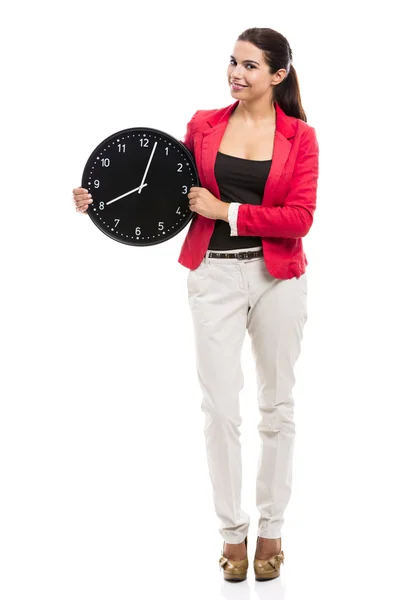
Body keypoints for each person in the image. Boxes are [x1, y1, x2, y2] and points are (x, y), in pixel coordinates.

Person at [72, 26, 319, 583]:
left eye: (250, 66)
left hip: (279, 278)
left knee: (277, 408)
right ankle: (232, 533)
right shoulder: (203, 126)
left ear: (278, 75)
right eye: (232, 61)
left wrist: (228, 211)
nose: (235, 72)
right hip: (212, 277)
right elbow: (159, 187)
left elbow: (300, 219)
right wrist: (99, 199)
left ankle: (272, 527)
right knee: (220, 410)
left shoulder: (300, 137)